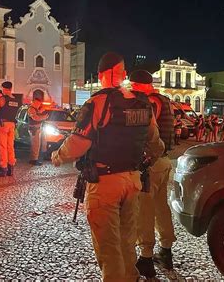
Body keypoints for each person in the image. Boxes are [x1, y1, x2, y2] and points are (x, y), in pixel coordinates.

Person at [51, 52, 165, 282]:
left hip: (104, 183)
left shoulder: (98, 102)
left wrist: (57, 156)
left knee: (108, 246)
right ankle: (130, 277)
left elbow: (78, 143)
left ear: (102, 74)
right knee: (127, 240)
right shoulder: (143, 102)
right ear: (122, 74)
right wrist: (143, 162)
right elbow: (157, 145)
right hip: (132, 181)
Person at [129, 70, 176, 278]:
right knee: (161, 207)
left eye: (132, 85)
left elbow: (147, 130)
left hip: (151, 163)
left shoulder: (149, 103)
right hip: (164, 162)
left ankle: (146, 256)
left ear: (139, 85)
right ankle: (166, 250)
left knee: (145, 211)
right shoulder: (164, 99)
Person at [0, 82, 22, 177]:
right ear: (11, 88)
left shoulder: (2, 99)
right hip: (12, 125)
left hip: (2, 124)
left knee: (2, 146)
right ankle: (11, 167)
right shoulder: (17, 101)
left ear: (4, 89)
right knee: (10, 146)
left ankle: (3, 168)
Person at [27, 96, 49, 165]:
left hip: (37, 129)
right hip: (34, 129)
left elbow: (37, 114)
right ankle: (33, 160)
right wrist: (44, 117)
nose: (38, 105)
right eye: (37, 103)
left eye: (39, 104)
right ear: (34, 102)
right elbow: (35, 118)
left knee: (38, 145)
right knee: (35, 145)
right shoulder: (31, 109)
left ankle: (35, 159)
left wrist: (41, 111)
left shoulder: (35, 109)